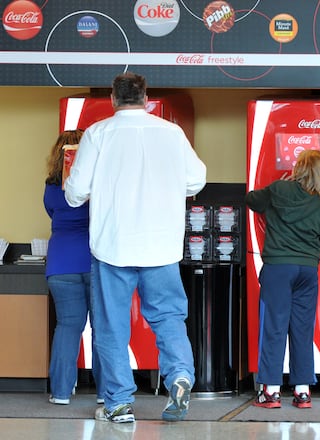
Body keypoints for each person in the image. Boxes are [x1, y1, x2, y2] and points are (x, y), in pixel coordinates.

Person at [65, 72, 206, 423]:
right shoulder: (172, 133)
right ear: (146, 99)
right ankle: (179, 375)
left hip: (113, 247)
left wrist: (74, 186)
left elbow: (76, 192)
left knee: (112, 326)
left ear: (113, 99)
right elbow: (196, 179)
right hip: (161, 247)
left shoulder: (99, 134)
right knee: (169, 318)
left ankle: (118, 402)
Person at [245, 149, 320, 409]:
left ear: (299, 170)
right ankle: (302, 391)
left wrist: (281, 184)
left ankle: (271, 392)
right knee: (302, 330)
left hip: (278, 268)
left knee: (275, 327)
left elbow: (251, 200)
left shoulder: (278, 190)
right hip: (307, 271)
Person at [43, 129, 105, 406]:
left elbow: (53, 214)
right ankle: (107, 393)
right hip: (95, 260)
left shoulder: (50, 187)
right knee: (103, 329)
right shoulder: (97, 185)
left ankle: (60, 393)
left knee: (67, 327)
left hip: (60, 263)